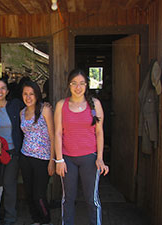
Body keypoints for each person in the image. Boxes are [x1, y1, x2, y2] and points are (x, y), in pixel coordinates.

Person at [54, 68, 109, 225]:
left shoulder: (95, 105)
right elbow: (58, 133)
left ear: (87, 85)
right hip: (67, 159)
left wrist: (100, 158)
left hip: (89, 158)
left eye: (81, 83)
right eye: (74, 83)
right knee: (68, 199)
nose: (78, 87)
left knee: (91, 199)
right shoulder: (61, 105)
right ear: (69, 85)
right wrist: (59, 160)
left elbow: (99, 132)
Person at [0, 76, 24, 225]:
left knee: (9, 185)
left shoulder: (15, 105)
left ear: (8, 91)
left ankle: (10, 217)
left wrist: (45, 105)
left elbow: (32, 106)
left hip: (11, 152)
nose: (0, 91)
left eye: (3, 88)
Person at [19, 80, 55, 225]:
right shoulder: (22, 112)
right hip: (25, 157)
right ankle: (36, 220)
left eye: (31, 94)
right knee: (29, 194)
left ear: (37, 95)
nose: (28, 97)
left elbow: (53, 136)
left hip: (43, 159)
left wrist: (53, 160)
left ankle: (46, 221)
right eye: (25, 94)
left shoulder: (45, 109)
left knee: (39, 195)